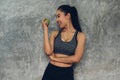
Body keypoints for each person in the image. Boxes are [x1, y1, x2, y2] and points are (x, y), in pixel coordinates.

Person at [41, 4, 86, 80]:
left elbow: (76, 58)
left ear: (68, 16)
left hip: (66, 73)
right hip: (51, 71)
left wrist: (54, 59)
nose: (56, 20)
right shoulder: (55, 34)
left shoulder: (80, 36)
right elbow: (48, 52)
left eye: (58, 16)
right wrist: (45, 29)